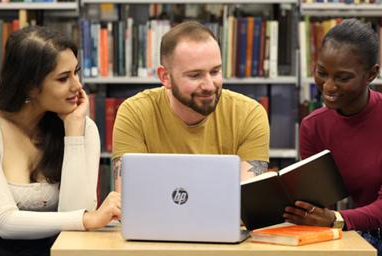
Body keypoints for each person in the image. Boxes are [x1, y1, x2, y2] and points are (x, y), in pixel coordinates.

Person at [0, 26, 121, 256]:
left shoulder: (84, 128)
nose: (77, 86)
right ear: (30, 86)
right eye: (64, 78)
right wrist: (87, 219)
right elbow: (4, 222)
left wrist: (73, 132)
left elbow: (76, 213)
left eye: (76, 72)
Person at [112, 21, 270, 191]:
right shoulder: (134, 113)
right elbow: (130, 201)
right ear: (165, 77)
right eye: (195, 75)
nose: (209, 85)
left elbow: (246, 204)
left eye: (215, 71)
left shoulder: (249, 114)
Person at [283, 18, 382, 254]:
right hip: (356, 232)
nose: (328, 86)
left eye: (342, 78)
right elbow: (315, 203)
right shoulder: (313, 126)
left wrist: (335, 219)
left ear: (371, 75)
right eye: (322, 73)